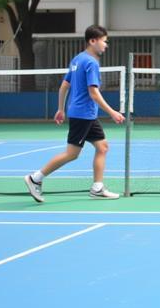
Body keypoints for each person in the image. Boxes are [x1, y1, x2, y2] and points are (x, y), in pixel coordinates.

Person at [24, 25, 125, 202]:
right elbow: (93, 93)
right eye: (104, 41)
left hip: (85, 114)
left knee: (102, 147)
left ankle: (97, 187)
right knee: (72, 153)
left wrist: (61, 108)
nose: (106, 45)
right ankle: (35, 178)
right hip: (83, 114)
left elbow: (64, 86)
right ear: (93, 41)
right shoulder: (91, 63)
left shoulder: (77, 59)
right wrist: (112, 112)